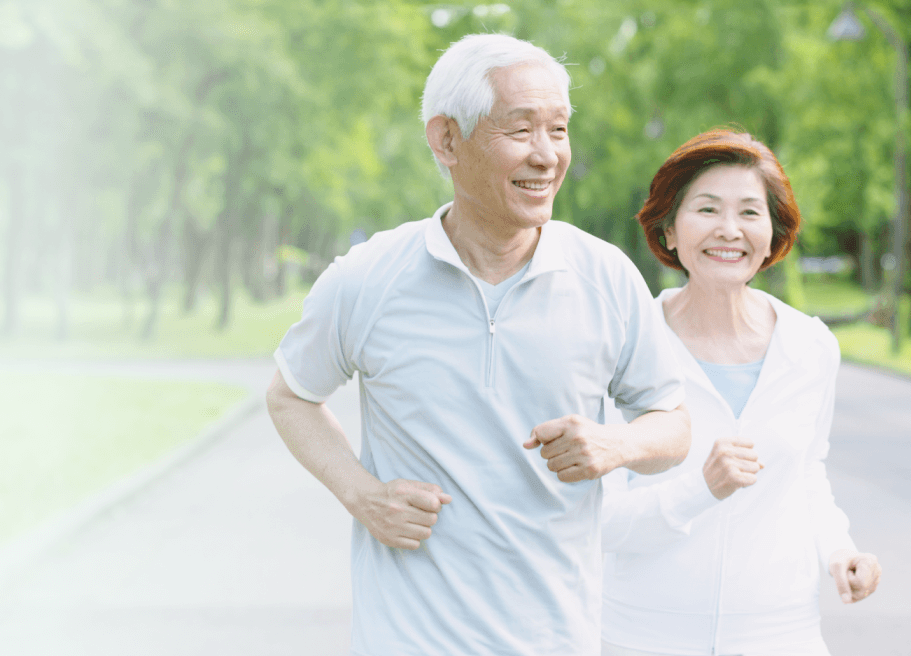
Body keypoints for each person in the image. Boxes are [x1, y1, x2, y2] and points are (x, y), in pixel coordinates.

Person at [266, 33, 692, 656]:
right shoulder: (368, 277)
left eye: (558, 130)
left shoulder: (605, 277)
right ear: (446, 140)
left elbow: (673, 425)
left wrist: (616, 443)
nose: (546, 155)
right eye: (520, 130)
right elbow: (291, 396)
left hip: (555, 640)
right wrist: (363, 495)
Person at [598, 129, 882, 656]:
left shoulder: (811, 346)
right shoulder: (625, 345)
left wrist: (840, 551)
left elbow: (806, 474)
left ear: (773, 235)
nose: (729, 230)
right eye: (707, 209)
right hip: (644, 637)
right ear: (669, 229)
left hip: (781, 636)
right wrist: (701, 489)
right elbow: (601, 520)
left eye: (750, 212)